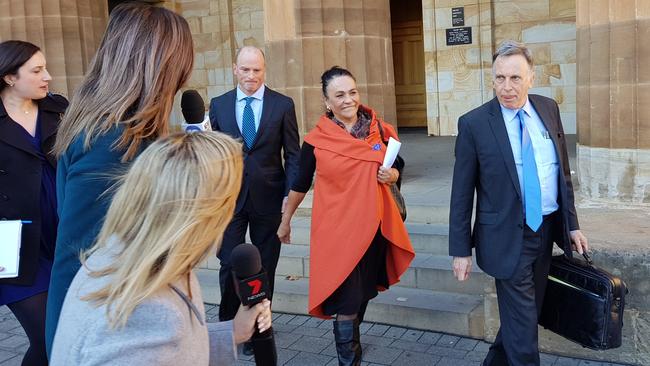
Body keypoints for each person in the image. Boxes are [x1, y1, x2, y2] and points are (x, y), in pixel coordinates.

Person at [46, 2, 195, 355]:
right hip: (111, 338)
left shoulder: (120, 134)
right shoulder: (112, 144)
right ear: (160, 68)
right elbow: (79, 258)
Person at [49, 131, 271, 365]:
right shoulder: (150, 317)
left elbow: (178, 350)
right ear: (207, 213)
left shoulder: (122, 253)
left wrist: (234, 333)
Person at [449, 40, 589, 366]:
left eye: (515, 78)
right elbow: (461, 192)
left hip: (546, 232)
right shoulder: (474, 124)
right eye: (499, 78)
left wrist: (573, 225)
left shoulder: (548, 109)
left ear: (531, 77)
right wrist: (460, 249)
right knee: (525, 337)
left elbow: (561, 175)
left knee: (524, 318)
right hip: (505, 238)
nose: (506, 87)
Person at [277, 66, 415, 365]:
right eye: (339, 95)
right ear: (327, 102)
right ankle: (348, 360)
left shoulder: (382, 131)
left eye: (352, 92)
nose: (348, 100)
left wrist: (392, 174)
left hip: (374, 229)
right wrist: (286, 220)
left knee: (362, 292)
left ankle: (353, 341)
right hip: (338, 233)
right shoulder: (315, 141)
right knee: (348, 300)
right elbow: (299, 184)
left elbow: (398, 167)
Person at [208, 45, 300, 353]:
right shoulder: (218, 105)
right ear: (235, 69)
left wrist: (290, 195)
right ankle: (227, 329)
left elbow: (294, 155)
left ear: (264, 70)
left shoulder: (283, 105)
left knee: (264, 268)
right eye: (245, 69)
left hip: (269, 199)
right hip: (230, 200)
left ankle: (260, 329)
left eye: (256, 70)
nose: (251, 76)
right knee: (227, 265)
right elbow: (214, 154)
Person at [0, 40, 67, 366]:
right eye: (37, 70)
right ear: (10, 77)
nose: (48, 76)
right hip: (16, 246)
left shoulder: (58, 109)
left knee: (67, 335)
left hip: (67, 232)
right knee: (47, 337)